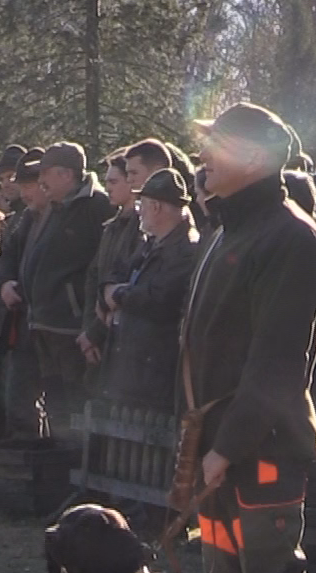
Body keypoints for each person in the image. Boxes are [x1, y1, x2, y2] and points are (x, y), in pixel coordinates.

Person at [180, 102, 316, 573]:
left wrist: (227, 447)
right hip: (216, 443)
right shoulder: (228, 228)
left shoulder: (293, 240)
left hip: (262, 448)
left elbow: (275, 365)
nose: (203, 158)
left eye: (218, 147)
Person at [22, 141, 115, 445]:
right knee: (56, 402)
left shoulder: (97, 207)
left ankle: (77, 469)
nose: (41, 183)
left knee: (76, 402)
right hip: (45, 325)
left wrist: (89, 324)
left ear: (65, 174)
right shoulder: (54, 208)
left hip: (71, 329)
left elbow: (101, 267)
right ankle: (60, 470)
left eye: (45, 174)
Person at [99, 168, 198, 412]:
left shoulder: (186, 250)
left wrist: (119, 295)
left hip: (154, 373)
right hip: (132, 367)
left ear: (156, 207)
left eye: (142, 203)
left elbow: (159, 299)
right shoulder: (150, 243)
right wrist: (111, 292)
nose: (138, 209)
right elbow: (115, 272)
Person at [0, 149, 50, 442]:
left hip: (50, 323)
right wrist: (4, 284)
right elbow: (7, 258)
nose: (24, 193)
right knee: (17, 396)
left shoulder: (63, 217)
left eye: (30, 186)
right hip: (23, 322)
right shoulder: (25, 220)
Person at [80, 151, 142, 371]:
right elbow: (94, 278)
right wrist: (88, 331)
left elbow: (128, 281)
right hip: (97, 336)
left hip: (122, 337)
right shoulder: (110, 228)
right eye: (106, 182)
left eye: (114, 181)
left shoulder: (141, 229)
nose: (108, 188)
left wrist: (96, 332)